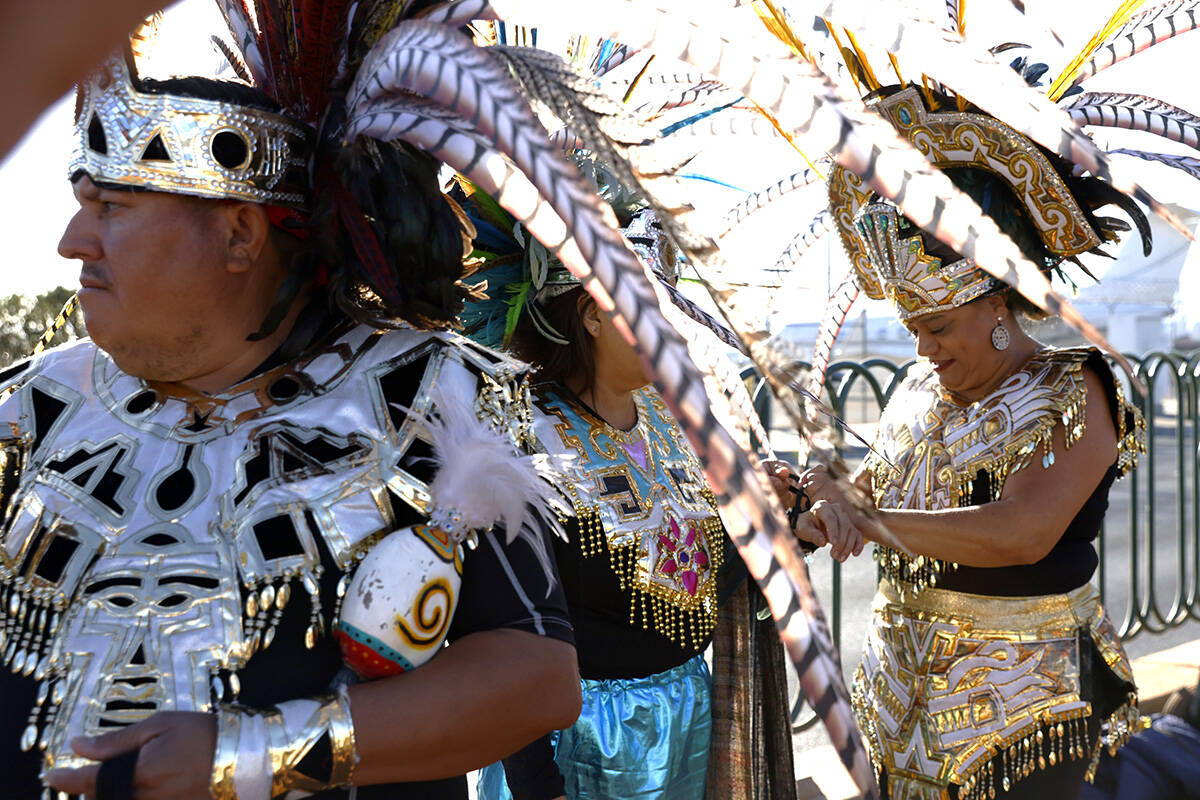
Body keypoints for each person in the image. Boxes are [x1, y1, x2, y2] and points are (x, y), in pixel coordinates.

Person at [0, 21, 585, 800]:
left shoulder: (433, 400)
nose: (74, 241)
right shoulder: (29, 406)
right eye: (83, 204)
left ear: (240, 233)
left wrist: (249, 757)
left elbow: (535, 680)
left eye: (111, 207)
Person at [805, 82, 1153, 800]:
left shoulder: (1074, 389)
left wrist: (867, 521)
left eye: (937, 329)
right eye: (913, 332)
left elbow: (1022, 531)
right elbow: (880, 483)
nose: (923, 349)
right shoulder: (918, 389)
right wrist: (822, 494)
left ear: (996, 300)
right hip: (902, 696)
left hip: (1026, 707)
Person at [462, 197, 859, 800]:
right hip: (577, 739)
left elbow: (693, 569)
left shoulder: (674, 423)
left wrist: (782, 527)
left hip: (689, 719)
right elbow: (508, 628)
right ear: (593, 314)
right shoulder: (523, 437)